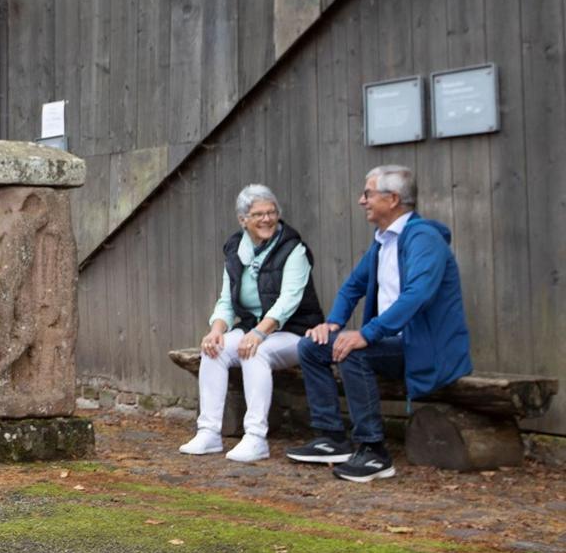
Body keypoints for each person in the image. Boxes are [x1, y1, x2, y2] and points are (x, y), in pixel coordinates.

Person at [286, 165, 472, 483]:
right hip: (393, 343)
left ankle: (374, 452)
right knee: (312, 346)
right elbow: (352, 287)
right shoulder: (383, 242)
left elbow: (418, 295)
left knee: (354, 352)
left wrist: (367, 333)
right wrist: (332, 324)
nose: (362, 200)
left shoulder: (423, 238)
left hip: (426, 350)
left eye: (368, 193)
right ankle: (332, 438)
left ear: (393, 198)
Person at [180, 185, 324, 463]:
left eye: (272, 213)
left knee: (253, 351)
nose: (267, 219)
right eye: (258, 214)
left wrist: (259, 333)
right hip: (253, 329)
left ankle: (256, 438)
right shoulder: (235, 249)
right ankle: (209, 432)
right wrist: (216, 330)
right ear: (242, 219)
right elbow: (226, 300)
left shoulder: (294, 249)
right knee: (215, 349)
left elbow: (288, 301)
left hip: (295, 332)